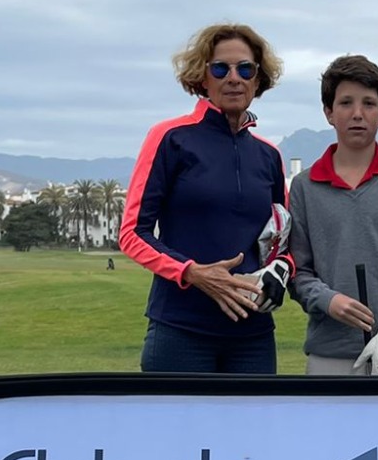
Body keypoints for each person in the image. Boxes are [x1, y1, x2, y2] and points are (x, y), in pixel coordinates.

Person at [117, 23, 291, 373]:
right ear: (202, 77)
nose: (234, 78)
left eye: (245, 69)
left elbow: (284, 239)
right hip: (181, 331)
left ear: (258, 79)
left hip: (253, 336)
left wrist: (283, 269)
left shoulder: (269, 155)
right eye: (220, 69)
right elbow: (132, 234)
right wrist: (192, 273)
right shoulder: (170, 138)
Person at [287, 56, 378, 376]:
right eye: (346, 103)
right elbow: (298, 273)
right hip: (330, 354)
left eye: (369, 103)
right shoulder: (304, 187)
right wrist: (327, 300)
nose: (357, 113)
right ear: (329, 112)